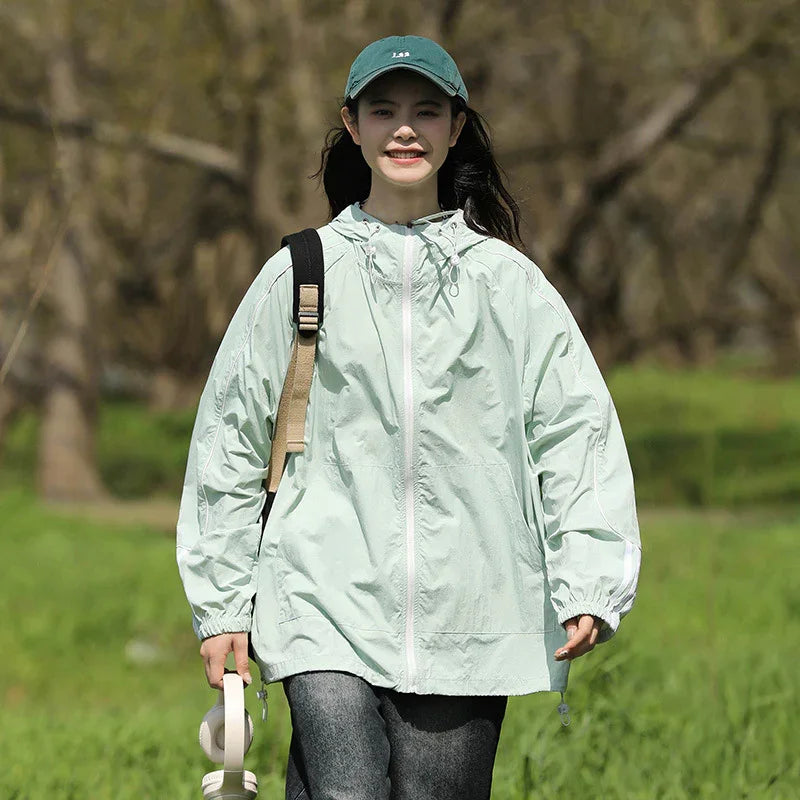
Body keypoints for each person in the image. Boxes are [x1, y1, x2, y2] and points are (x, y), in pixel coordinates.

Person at [176, 34, 642, 800]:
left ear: (456, 127)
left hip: (473, 604)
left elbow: (574, 428)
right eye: (383, 109)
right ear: (351, 124)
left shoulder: (506, 283)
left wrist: (590, 575)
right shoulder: (298, 272)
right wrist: (223, 605)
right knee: (345, 789)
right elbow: (229, 438)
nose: (404, 128)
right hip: (318, 591)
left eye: (426, 111)